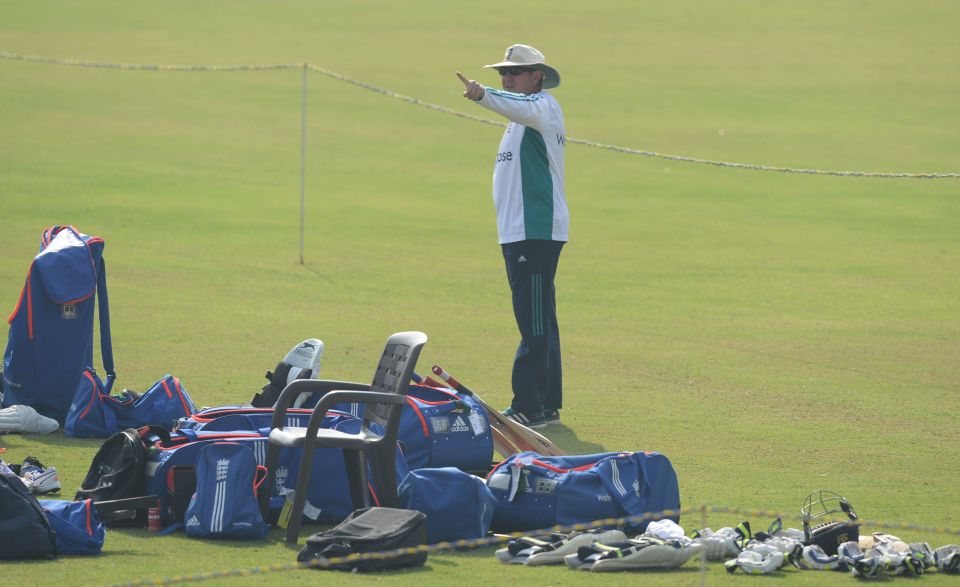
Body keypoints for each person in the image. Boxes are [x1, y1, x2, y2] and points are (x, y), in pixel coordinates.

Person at [457, 44, 568, 429]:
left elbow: (513, 103)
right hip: (522, 232)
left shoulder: (542, 106)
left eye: (515, 72)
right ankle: (546, 404)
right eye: (502, 73)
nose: (507, 78)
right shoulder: (519, 114)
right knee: (541, 318)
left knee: (533, 321)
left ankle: (529, 405)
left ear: (537, 75)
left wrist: (482, 93)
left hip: (534, 231)